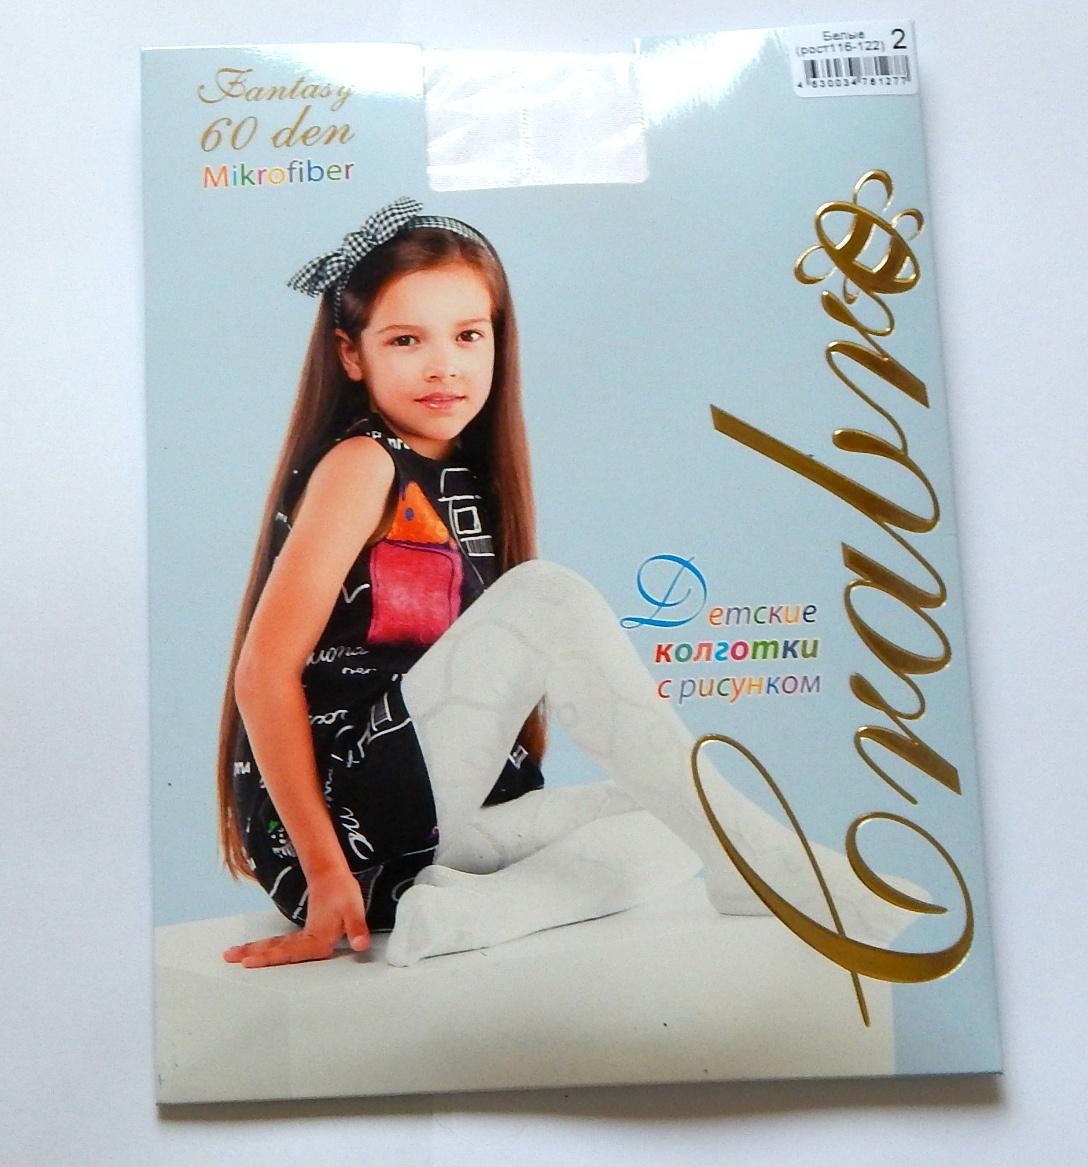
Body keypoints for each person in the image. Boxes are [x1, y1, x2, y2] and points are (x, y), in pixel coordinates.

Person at [220, 198, 924, 971]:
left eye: (467, 335)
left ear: (498, 340)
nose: (443, 364)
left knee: (664, 814)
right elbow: (262, 674)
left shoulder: (466, 474)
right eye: (406, 340)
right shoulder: (363, 464)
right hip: (340, 827)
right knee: (548, 598)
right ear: (352, 355)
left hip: (424, 836)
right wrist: (324, 870)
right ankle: (760, 861)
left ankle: (465, 914)